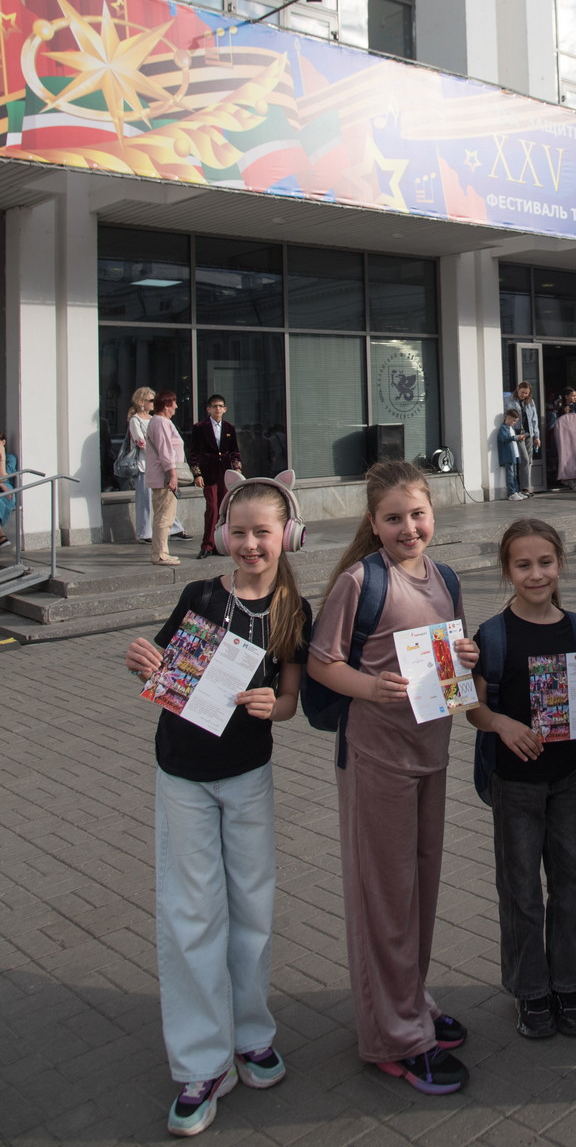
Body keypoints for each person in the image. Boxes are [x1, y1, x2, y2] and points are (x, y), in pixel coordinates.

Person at [123, 475, 311, 1138]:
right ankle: (202, 1064)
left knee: (251, 908)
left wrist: (271, 705)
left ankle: (252, 1035)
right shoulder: (201, 595)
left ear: (287, 536)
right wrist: (144, 662)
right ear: (223, 534)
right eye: (239, 531)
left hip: (247, 774)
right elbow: (164, 667)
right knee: (191, 912)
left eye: (264, 532)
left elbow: (290, 701)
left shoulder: (293, 611)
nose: (250, 544)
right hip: (183, 772)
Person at [305, 460, 478, 1095]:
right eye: (394, 518)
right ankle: (395, 1038)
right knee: (384, 896)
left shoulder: (446, 576)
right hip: (376, 758)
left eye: (418, 514)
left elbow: (452, 662)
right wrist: (369, 687)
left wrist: (466, 656)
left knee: (418, 890)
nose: (409, 528)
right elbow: (322, 662)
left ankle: (410, 1001)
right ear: (373, 523)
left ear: (433, 513)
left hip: (431, 751)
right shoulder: (360, 581)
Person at [467, 518, 576, 1039]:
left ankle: (570, 984)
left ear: (560, 564)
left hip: (568, 776)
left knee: (572, 882)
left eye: (545, 563)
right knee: (520, 888)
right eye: (523, 565)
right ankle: (530, 990)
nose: (536, 574)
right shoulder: (493, 634)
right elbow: (475, 708)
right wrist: (501, 724)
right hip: (515, 781)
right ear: (507, 570)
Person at [188, 395, 243, 559]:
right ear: (208, 409)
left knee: (223, 508)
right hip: (208, 472)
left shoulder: (229, 427)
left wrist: (237, 467)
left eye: (220, 406)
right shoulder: (200, 427)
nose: (217, 409)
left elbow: (234, 451)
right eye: (214, 406)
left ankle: (221, 543)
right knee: (212, 508)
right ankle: (207, 544)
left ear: (225, 409)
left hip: (225, 473)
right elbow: (194, 453)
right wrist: (197, 474)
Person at [146, 390, 187, 567]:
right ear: (165, 405)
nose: (176, 406)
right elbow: (165, 450)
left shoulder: (158, 421)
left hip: (161, 475)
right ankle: (160, 554)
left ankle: (161, 552)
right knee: (165, 516)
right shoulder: (161, 422)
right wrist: (172, 474)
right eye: (173, 403)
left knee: (163, 515)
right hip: (164, 477)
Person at [504, 381, 541, 497]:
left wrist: (537, 436)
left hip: (529, 434)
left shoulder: (530, 402)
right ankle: (524, 488)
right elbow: (506, 417)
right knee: (524, 459)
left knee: (529, 460)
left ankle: (526, 488)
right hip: (518, 434)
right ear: (517, 389)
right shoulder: (508, 400)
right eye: (522, 392)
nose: (524, 395)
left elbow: (534, 419)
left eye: (526, 393)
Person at [498, 408, 524, 500]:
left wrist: (519, 438)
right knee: (510, 474)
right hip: (508, 455)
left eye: (515, 421)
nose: (514, 423)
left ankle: (516, 491)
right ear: (508, 418)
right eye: (513, 421)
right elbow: (504, 438)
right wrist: (516, 437)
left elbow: (512, 438)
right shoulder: (503, 428)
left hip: (514, 455)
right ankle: (511, 493)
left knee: (514, 474)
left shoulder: (511, 428)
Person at [0, 433, 18, 547]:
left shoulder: (10, 458)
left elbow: (4, 477)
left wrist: (2, 456)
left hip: (7, 492)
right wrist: (1, 485)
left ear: (3, 442)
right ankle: (1, 536)